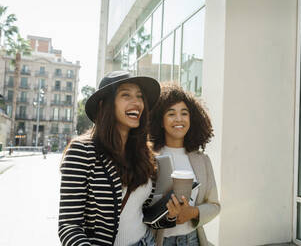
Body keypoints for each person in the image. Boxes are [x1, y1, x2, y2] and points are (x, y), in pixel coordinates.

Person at [58, 71, 181, 246]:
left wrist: (169, 215)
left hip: (146, 241)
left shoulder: (145, 154)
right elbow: (68, 226)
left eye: (139, 96)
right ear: (105, 104)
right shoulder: (82, 151)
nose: (137, 102)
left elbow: (143, 214)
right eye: (126, 95)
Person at [150, 84, 220, 246]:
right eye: (171, 113)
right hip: (160, 241)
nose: (179, 119)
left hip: (193, 240)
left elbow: (215, 205)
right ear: (161, 120)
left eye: (184, 113)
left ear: (192, 119)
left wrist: (193, 212)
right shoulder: (149, 157)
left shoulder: (202, 160)